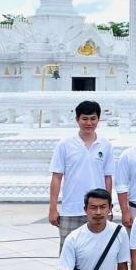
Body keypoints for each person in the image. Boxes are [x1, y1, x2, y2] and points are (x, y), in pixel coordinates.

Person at [49, 101, 114, 252]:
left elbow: (108, 178)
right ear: (77, 119)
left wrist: (107, 207)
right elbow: (57, 177)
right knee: (68, 255)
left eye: (93, 118)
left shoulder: (105, 145)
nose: (89, 123)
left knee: (97, 254)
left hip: (97, 210)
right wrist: (53, 208)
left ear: (98, 119)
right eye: (84, 119)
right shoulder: (64, 144)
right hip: (71, 210)